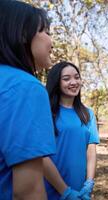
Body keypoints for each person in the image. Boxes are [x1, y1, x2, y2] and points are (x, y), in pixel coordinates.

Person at [0, 1, 56, 199]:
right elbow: (27, 191)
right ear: (24, 33)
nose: (52, 41)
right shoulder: (25, 88)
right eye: (46, 32)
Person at [45, 61, 100, 200]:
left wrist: (89, 183)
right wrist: (64, 191)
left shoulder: (88, 114)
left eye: (77, 77)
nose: (74, 82)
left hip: (79, 189)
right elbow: (40, 156)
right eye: (66, 79)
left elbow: (91, 151)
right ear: (56, 82)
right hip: (50, 187)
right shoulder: (46, 112)